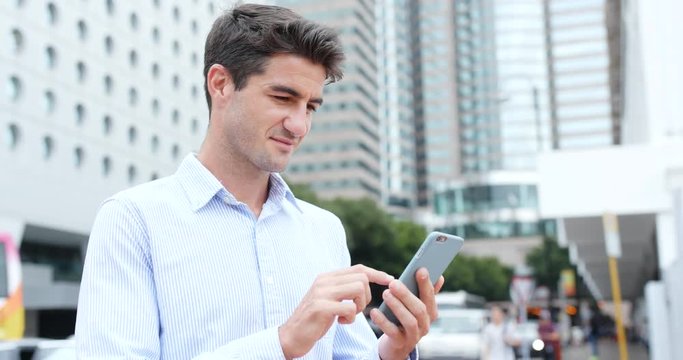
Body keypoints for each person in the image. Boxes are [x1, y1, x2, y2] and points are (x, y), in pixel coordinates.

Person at [74, 3, 444, 359]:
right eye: (283, 97)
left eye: (311, 107)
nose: (299, 126)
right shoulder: (133, 220)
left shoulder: (323, 229)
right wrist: (282, 343)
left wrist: (392, 351)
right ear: (220, 84)